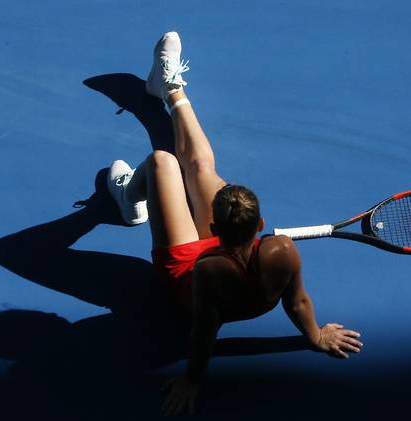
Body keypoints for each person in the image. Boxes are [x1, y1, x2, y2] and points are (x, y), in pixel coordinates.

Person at [106, 31, 363, 416]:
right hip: (223, 272)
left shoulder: (209, 272)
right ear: (258, 222)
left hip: (185, 279)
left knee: (163, 161)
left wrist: (191, 380)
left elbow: (204, 333)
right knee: (201, 168)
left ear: (214, 227)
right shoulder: (282, 250)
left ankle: (128, 199)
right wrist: (316, 336)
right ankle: (169, 88)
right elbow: (298, 302)